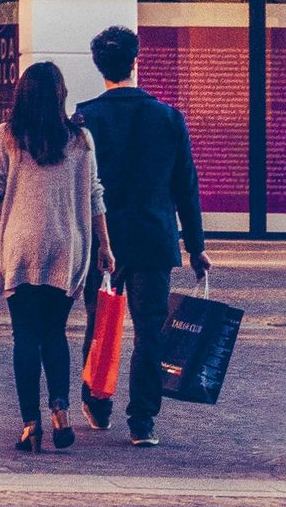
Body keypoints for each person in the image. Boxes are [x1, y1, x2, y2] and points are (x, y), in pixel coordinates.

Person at [0, 63, 107, 453]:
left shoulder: (8, 136)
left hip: (20, 246)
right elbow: (95, 194)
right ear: (60, 96)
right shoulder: (80, 139)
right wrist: (106, 245)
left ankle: (30, 426)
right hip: (65, 247)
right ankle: (61, 411)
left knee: (25, 336)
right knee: (55, 333)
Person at [77, 23, 209, 445]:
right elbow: (186, 186)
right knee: (150, 329)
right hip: (153, 237)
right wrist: (197, 247)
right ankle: (142, 422)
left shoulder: (85, 118)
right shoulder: (169, 117)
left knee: (100, 324)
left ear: (100, 66)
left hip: (102, 241)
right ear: (136, 63)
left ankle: (97, 402)